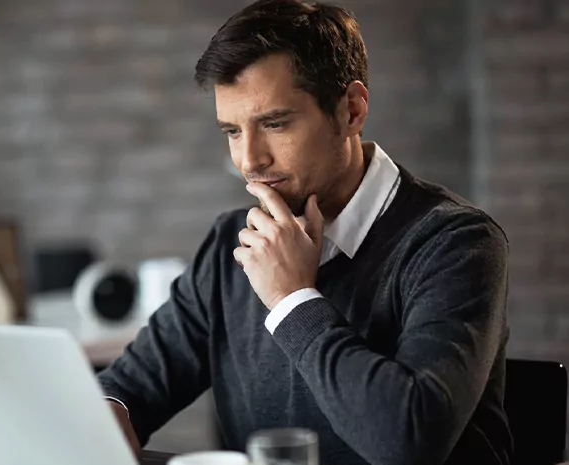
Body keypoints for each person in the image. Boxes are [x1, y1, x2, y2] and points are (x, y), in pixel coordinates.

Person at [96, 1, 513, 464]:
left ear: (352, 110)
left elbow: (408, 442)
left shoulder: (456, 243)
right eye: (232, 131)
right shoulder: (230, 246)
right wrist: (105, 413)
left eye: (274, 124)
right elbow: (128, 387)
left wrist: (292, 299)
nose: (249, 161)